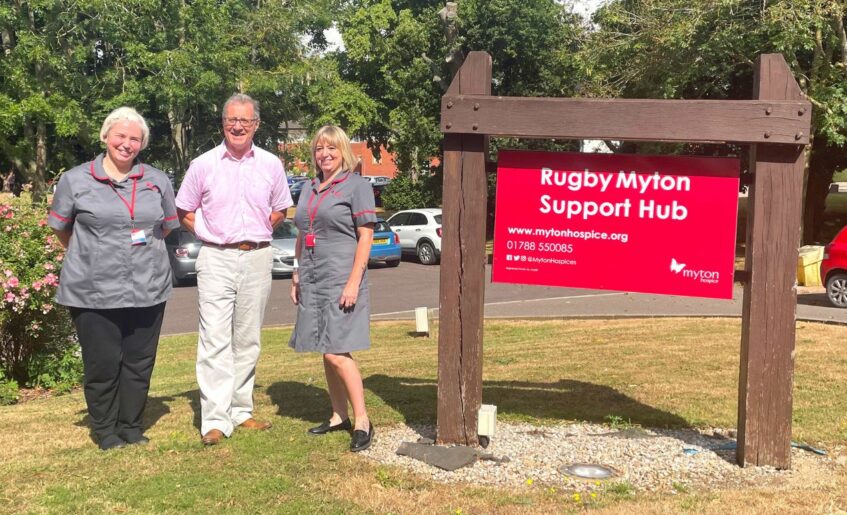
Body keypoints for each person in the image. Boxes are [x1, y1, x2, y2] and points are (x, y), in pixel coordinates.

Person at [48, 107, 180, 450]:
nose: (127, 144)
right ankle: (105, 430)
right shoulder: (75, 180)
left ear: (142, 145)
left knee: (139, 361)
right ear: (105, 136)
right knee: (103, 363)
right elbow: (63, 230)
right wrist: (93, 255)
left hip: (148, 287)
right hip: (93, 290)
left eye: (135, 139)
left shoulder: (157, 180)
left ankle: (131, 425)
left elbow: (166, 227)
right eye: (120, 136)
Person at [176, 94, 292, 446]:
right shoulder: (203, 164)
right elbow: (184, 209)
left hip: (257, 257)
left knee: (247, 339)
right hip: (215, 258)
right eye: (231, 120)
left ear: (256, 124)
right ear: (222, 123)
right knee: (214, 339)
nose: (238, 126)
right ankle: (215, 419)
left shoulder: (271, 164)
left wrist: (253, 234)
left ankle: (241, 411)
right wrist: (213, 234)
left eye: (245, 121)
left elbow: (281, 210)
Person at [289, 125, 376, 452]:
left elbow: (365, 236)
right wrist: (296, 273)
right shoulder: (309, 187)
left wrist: (354, 281)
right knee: (324, 348)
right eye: (319, 149)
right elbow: (301, 232)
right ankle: (338, 414)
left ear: (343, 152)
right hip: (312, 275)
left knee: (336, 350)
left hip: (341, 276)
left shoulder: (356, 185)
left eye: (331, 148)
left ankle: (363, 420)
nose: (324, 154)